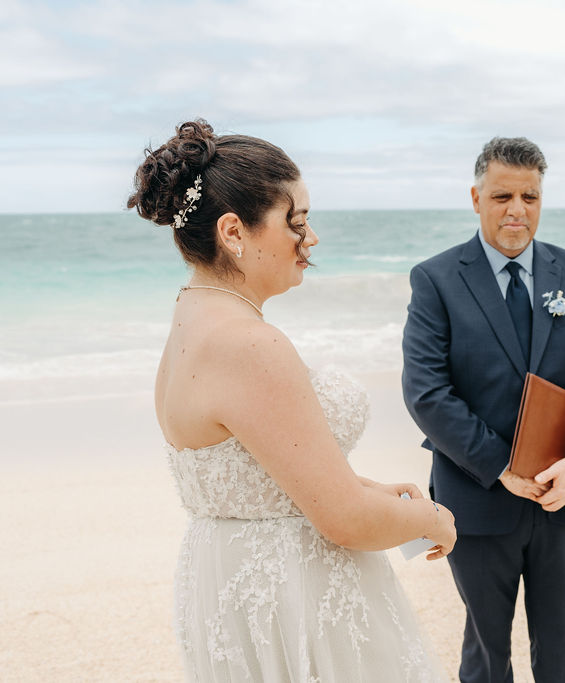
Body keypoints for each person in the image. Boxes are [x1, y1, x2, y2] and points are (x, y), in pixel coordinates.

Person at [128, 119, 454, 682]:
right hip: (292, 593)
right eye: (295, 221)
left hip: (230, 577)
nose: (312, 238)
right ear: (233, 232)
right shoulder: (249, 344)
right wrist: (430, 518)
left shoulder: (191, 316)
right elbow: (345, 522)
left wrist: (367, 486)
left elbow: (257, 472)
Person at [401, 137, 565, 682]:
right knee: (487, 654)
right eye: (503, 195)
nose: (517, 210)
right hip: (477, 497)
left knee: (560, 651)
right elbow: (426, 392)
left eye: (530, 196)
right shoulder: (435, 279)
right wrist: (502, 467)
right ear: (476, 197)